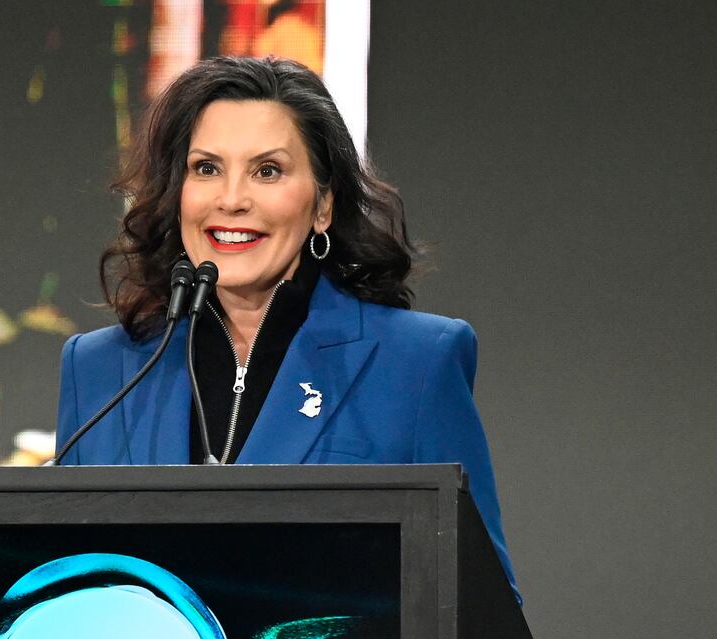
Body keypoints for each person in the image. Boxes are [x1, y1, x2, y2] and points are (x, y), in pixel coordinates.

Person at [55, 56, 519, 599]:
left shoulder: (417, 364)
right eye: (206, 168)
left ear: (323, 204)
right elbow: (63, 590)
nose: (231, 199)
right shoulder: (99, 370)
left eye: (267, 171)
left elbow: (485, 607)